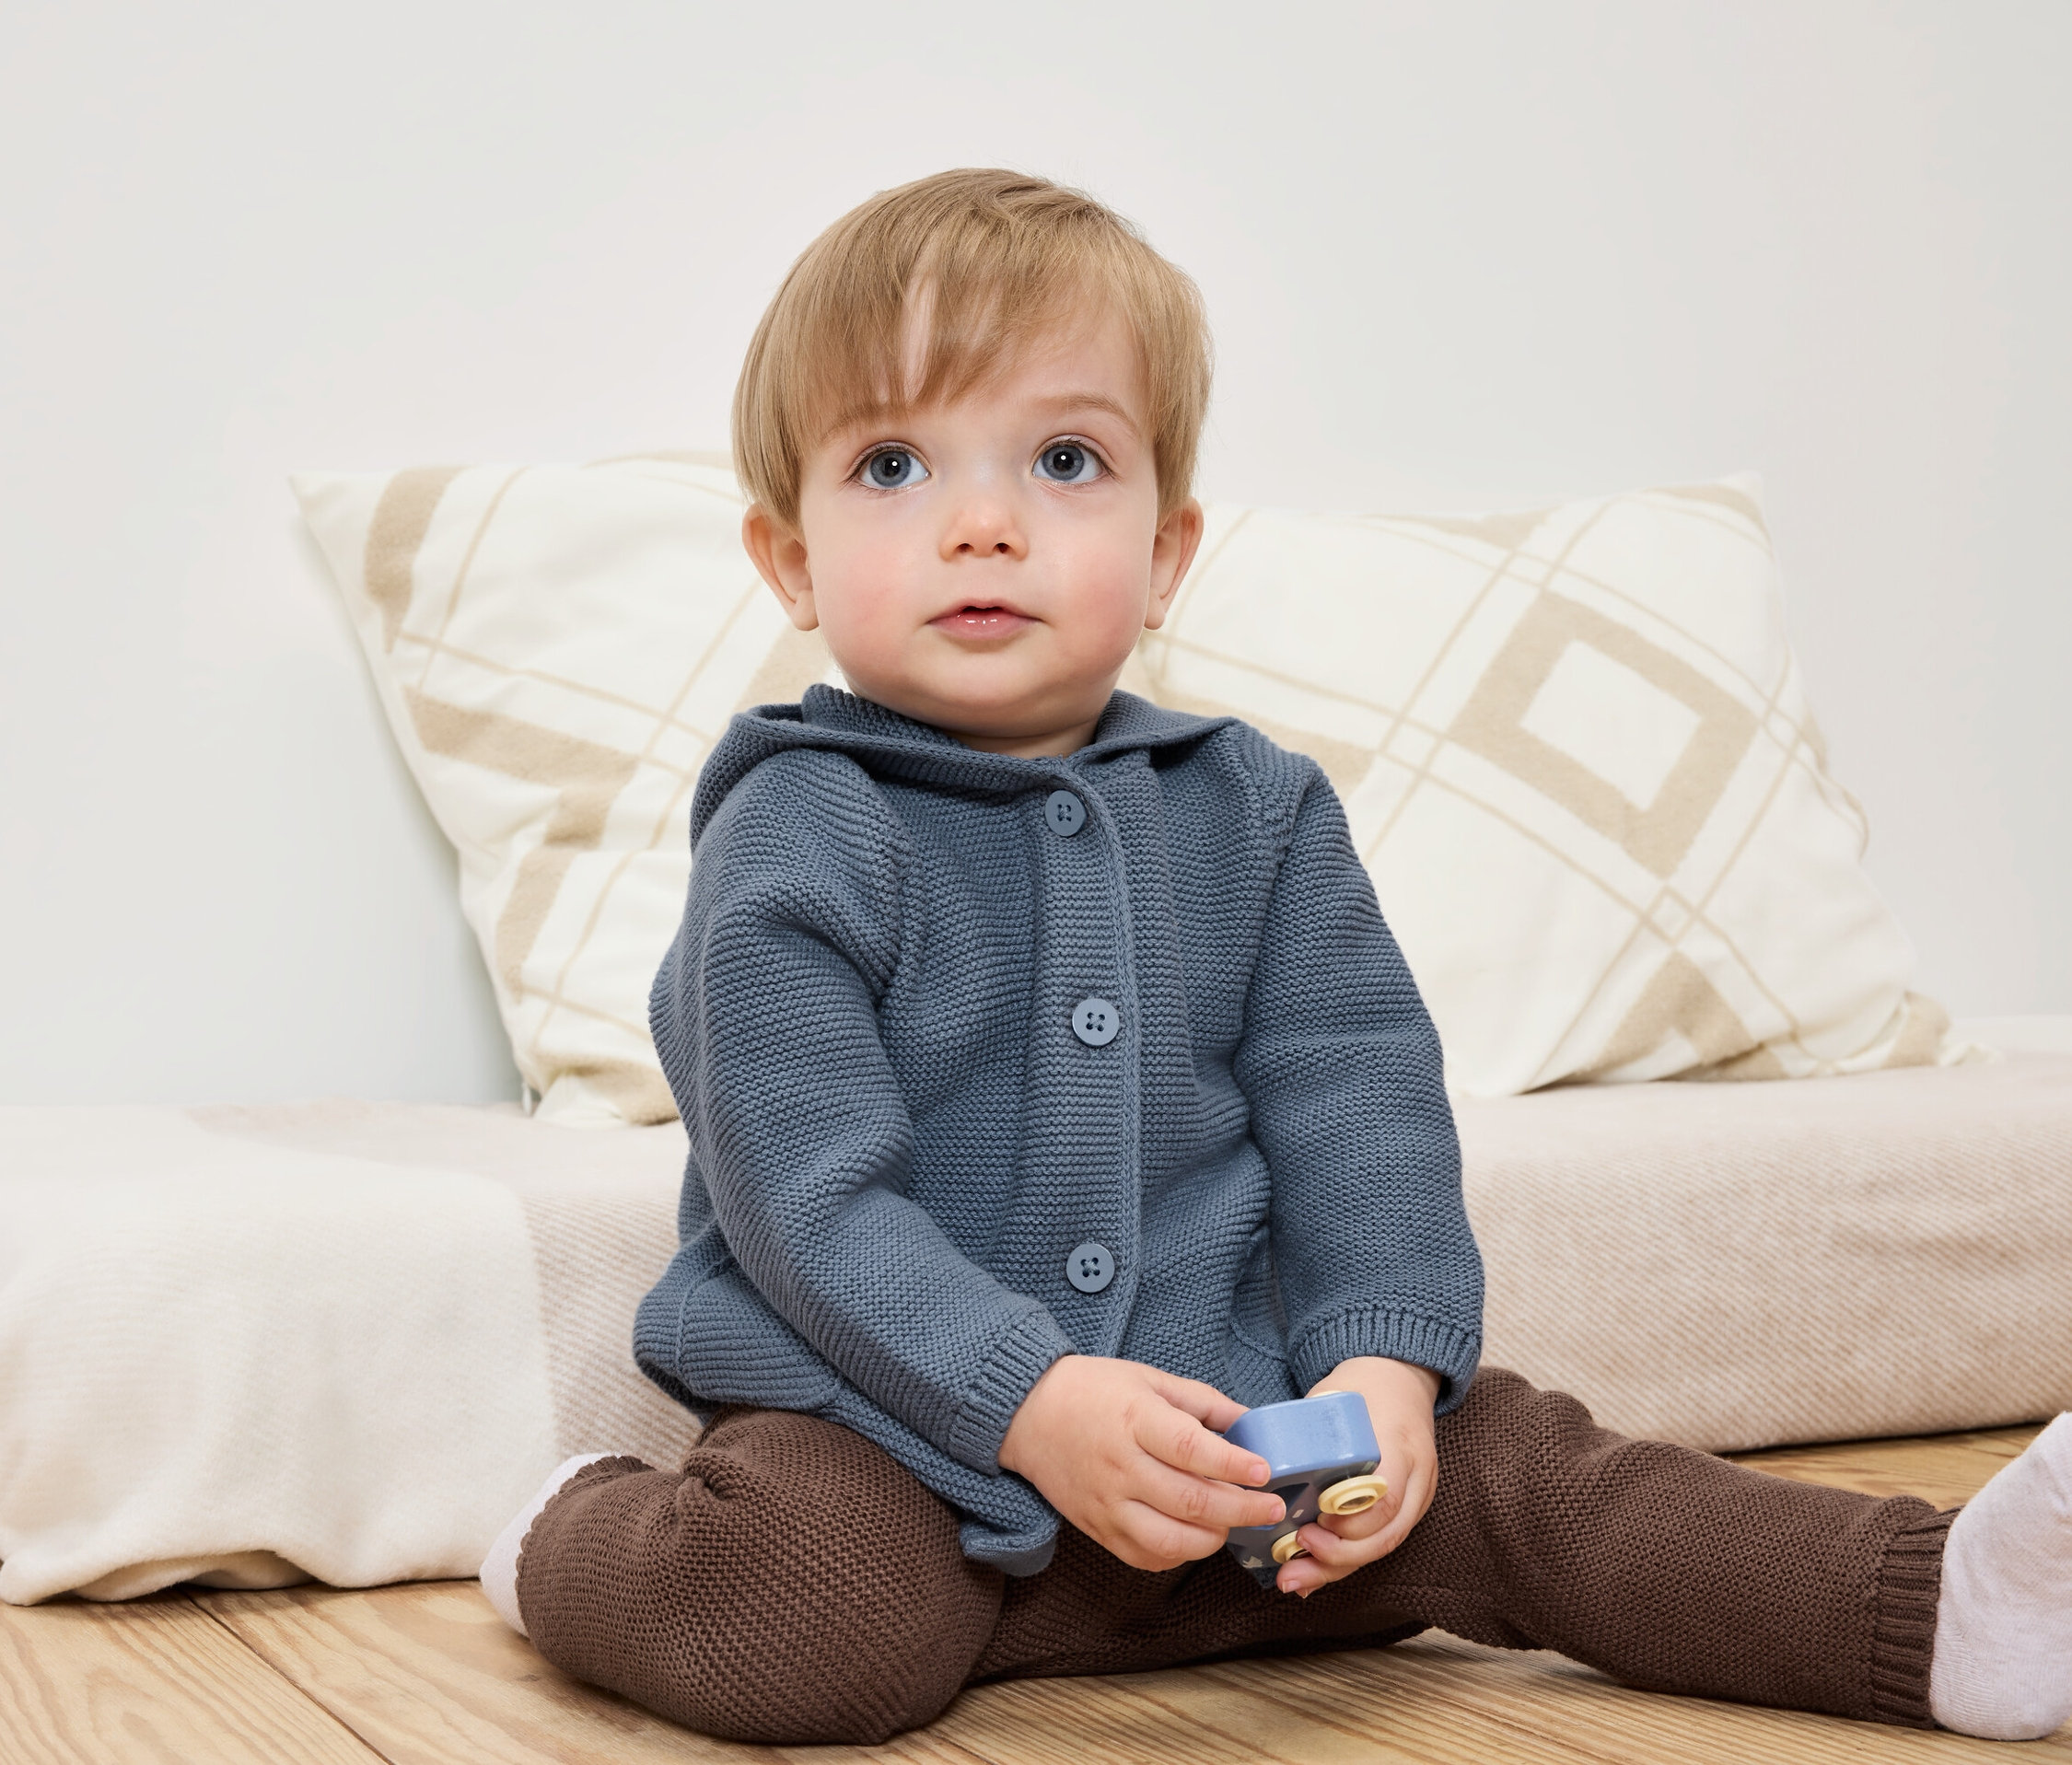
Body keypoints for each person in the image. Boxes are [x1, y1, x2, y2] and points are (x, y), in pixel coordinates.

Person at [478, 168, 2070, 1747]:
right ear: (787, 560)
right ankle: (570, 1534)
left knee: (1518, 1470)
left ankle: (1943, 1605)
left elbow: (1358, 1106)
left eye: (1063, 458)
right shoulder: (797, 829)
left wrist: (1380, 1364)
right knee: (812, 1613)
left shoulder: (1256, 808)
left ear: (1166, 551)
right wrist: (1031, 1406)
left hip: (1232, 1428)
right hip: (903, 1431)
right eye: (891, 462)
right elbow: (810, 1203)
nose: (981, 521)